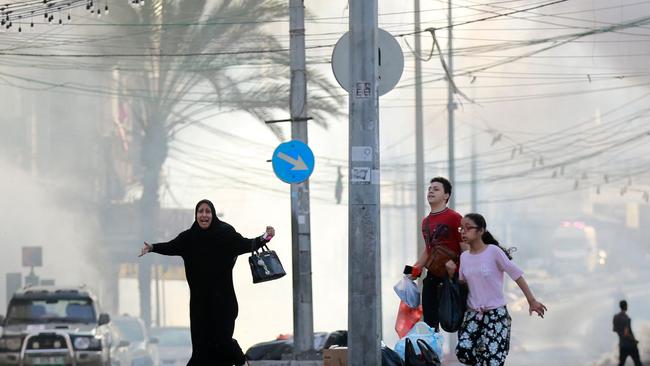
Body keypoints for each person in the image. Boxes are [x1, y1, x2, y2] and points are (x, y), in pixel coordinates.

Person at [138, 199, 275, 366]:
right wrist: (152, 247)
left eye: (207, 211)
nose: (204, 215)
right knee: (201, 347)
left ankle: (241, 361)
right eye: (200, 211)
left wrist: (264, 237)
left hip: (223, 302)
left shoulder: (225, 234)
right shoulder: (189, 238)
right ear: (196, 215)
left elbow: (245, 244)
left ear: (213, 214)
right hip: (199, 305)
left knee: (222, 341)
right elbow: (171, 246)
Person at [447, 213, 546, 366]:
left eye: (468, 228)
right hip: (473, 315)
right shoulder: (465, 257)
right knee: (464, 351)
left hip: (496, 316)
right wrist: (451, 275)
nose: (463, 232)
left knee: (492, 360)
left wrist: (531, 300)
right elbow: (463, 286)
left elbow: (517, 275)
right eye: (461, 228)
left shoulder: (493, 252)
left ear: (481, 231)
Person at [408, 177, 466, 331]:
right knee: (430, 326)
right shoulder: (425, 222)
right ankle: (432, 354)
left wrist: (464, 275)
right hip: (432, 278)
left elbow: (465, 249)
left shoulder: (455, 218)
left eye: (436, 189)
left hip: (453, 279)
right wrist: (413, 270)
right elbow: (429, 250)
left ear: (446, 196)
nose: (431, 191)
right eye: (430, 189)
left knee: (457, 322)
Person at [613, 300, 643, 366]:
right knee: (638, 363)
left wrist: (620, 333)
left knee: (621, 363)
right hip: (631, 345)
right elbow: (626, 333)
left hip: (622, 345)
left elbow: (614, 329)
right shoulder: (626, 318)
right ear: (626, 306)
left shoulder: (615, 317)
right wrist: (634, 340)